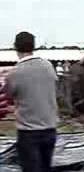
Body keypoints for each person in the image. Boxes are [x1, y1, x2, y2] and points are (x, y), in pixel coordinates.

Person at [0, 32, 58, 172]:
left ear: (15, 47)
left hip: (29, 133)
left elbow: (7, 95)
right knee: (46, 168)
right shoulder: (48, 66)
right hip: (50, 129)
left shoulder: (15, 73)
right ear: (33, 46)